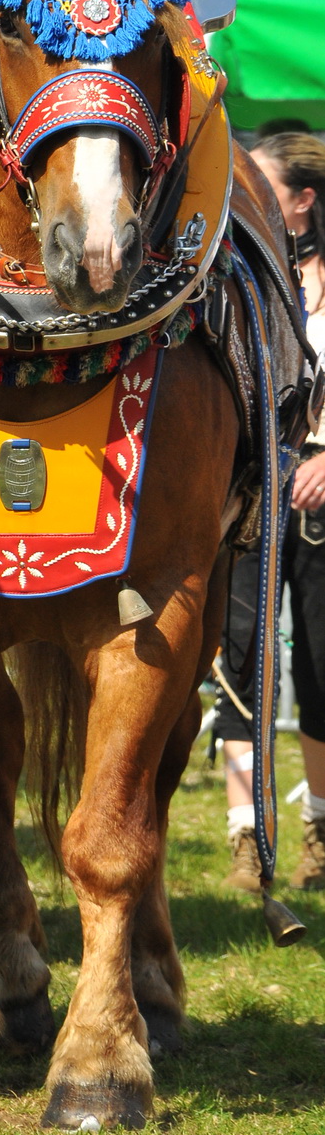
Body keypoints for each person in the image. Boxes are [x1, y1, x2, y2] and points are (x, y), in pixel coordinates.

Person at [217, 132, 325, 892]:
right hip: (252, 490)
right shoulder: (239, 273)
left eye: (263, 185)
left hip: (319, 501)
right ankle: (245, 839)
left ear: (303, 200)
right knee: (242, 664)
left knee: (319, 670)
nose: (245, 196)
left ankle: (318, 831)